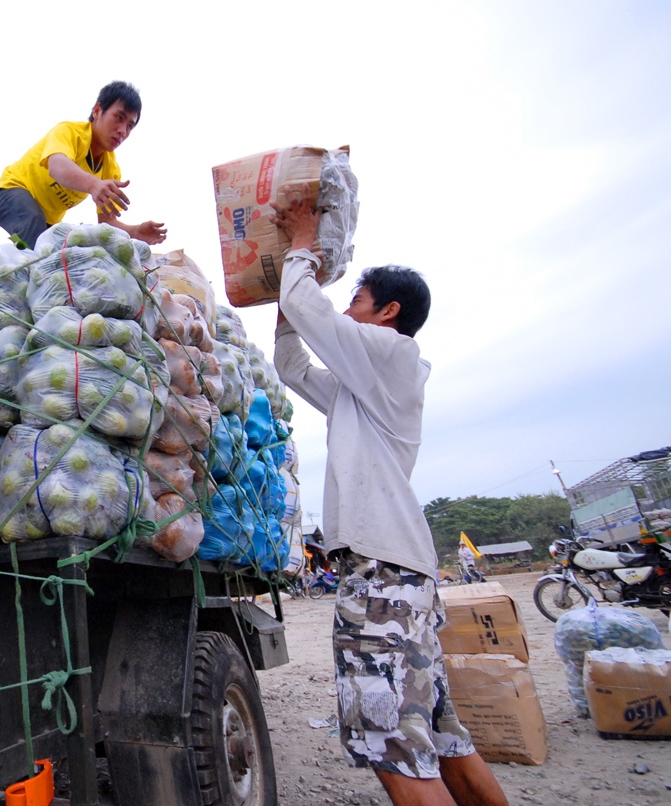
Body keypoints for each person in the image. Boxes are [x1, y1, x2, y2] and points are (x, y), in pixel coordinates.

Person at [271, 197, 508, 806]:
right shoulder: (363, 389)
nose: (347, 310)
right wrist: (286, 302)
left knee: (389, 740)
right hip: (401, 571)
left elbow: (311, 310)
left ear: (389, 313)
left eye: (357, 300)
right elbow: (293, 366)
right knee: (437, 732)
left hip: (382, 572)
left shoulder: (393, 354)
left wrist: (300, 245)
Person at [0, 81, 167, 249]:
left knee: (58, 253)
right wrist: (93, 184)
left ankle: (15, 260)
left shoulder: (110, 169)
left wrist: (134, 231)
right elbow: (57, 166)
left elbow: (107, 222)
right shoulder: (70, 133)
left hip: (46, 222)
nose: (123, 131)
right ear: (97, 110)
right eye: (118, 118)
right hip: (10, 193)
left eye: (130, 126)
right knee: (35, 236)